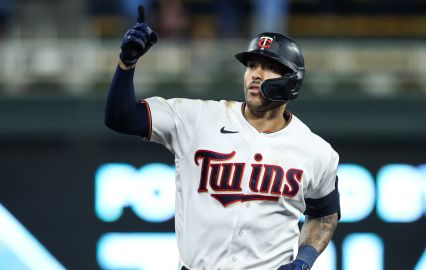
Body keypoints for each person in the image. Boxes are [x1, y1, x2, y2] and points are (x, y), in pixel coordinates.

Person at [105, 5, 340, 270]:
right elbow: (120, 118)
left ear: (292, 82)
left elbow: (324, 217)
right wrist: (127, 64)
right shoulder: (196, 118)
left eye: (269, 67)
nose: (256, 74)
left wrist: (304, 260)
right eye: (252, 65)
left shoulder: (316, 151)